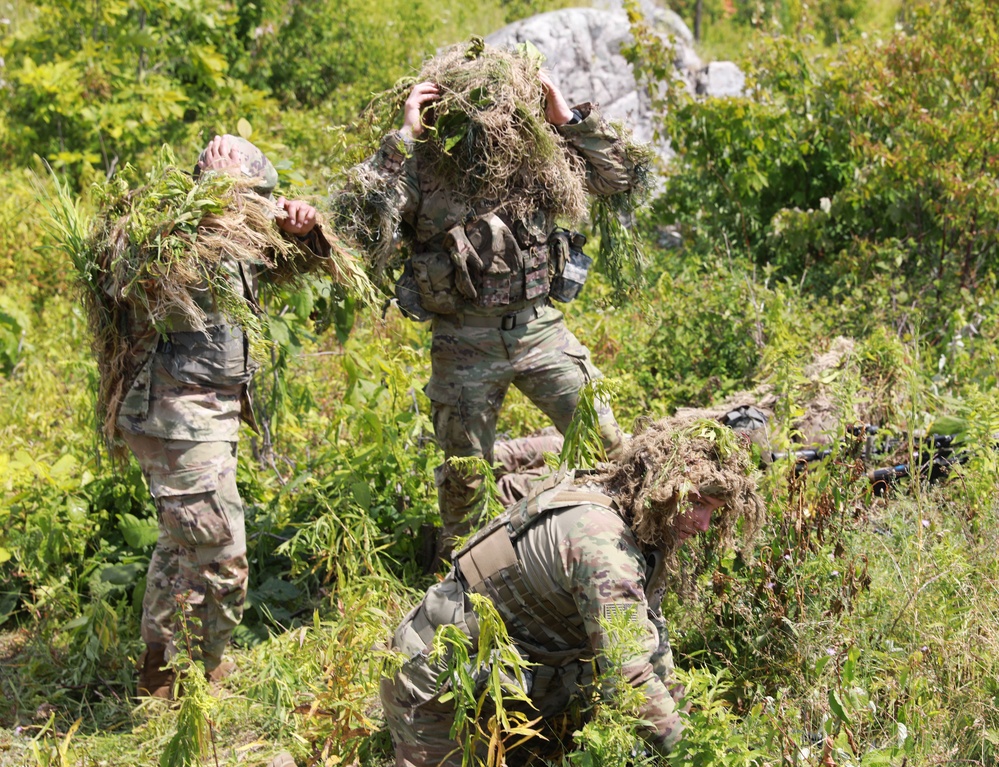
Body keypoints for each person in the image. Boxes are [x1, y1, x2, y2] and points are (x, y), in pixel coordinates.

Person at [340, 43, 647, 557]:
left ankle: (628, 546)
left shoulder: (542, 157)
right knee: (464, 477)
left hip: (539, 329)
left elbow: (619, 179)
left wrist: (565, 115)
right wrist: (402, 138)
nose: (487, 124)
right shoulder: (424, 168)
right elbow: (362, 226)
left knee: (606, 445)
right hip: (463, 341)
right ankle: (460, 582)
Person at [380, 418, 767, 766]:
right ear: (662, 484)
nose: (703, 523)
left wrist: (695, 721)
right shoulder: (604, 547)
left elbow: (651, 641)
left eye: (713, 510)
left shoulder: (635, 510)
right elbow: (627, 678)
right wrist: (700, 756)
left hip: (499, 671)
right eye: (697, 502)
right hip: (438, 687)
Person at [121, 135, 331, 698]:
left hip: (209, 418)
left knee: (182, 545)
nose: (254, 211)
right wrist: (214, 196)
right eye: (246, 198)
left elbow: (305, 262)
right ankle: (192, 677)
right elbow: (138, 274)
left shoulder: (242, 238)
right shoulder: (171, 228)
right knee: (221, 558)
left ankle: (163, 668)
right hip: (177, 417)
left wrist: (305, 231)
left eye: (259, 199)